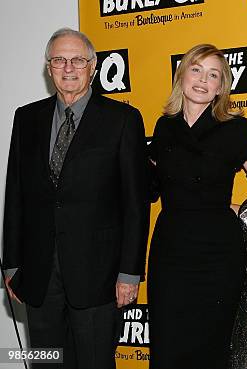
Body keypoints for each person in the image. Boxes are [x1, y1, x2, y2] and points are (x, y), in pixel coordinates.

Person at [2, 28, 149, 369]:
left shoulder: (123, 119)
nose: (68, 67)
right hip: (37, 275)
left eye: (77, 60)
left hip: (98, 275)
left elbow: (135, 205)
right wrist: (11, 265)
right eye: (59, 59)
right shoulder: (26, 118)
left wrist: (129, 273)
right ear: (48, 66)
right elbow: (15, 196)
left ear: (93, 66)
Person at [147, 43, 247, 369]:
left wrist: (246, 208)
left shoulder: (235, 128)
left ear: (220, 87)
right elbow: (151, 188)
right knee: (167, 345)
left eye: (213, 74)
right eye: (196, 70)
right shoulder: (164, 127)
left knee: (213, 348)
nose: (202, 80)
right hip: (170, 250)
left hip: (217, 254)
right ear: (182, 75)